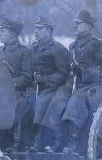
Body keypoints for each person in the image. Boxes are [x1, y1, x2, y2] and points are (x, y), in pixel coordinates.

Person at [60, 10, 102, 153]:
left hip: (99, 87)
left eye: (79, 23)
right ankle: (58, 140)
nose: (75, 26)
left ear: (89, 26)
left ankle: (73, 140)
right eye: (75, 23)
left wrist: (84, 72)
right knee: (59, 99)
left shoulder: (98, 44)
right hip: (80, 86)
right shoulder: (73, 46)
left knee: (77, 98)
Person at [29, 17, 71, 151]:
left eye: (40, 29)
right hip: (40, 88)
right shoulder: (34, 48)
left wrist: (44, 79)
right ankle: (36, 142)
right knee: (34, 106)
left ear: (49, 31)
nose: (36, 32)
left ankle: (52, 142)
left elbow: (63, 74)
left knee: (46, 105)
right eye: (35, 29)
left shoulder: (58, 49)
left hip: (58, 88)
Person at [0, 18, 33, 151]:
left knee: (11, 110)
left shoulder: (24, 52)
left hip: (17, 93)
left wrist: (9, 85)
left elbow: (27, 77)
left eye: (3, 31)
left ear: (12, 33)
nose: (0, 34)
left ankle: (9, 147)